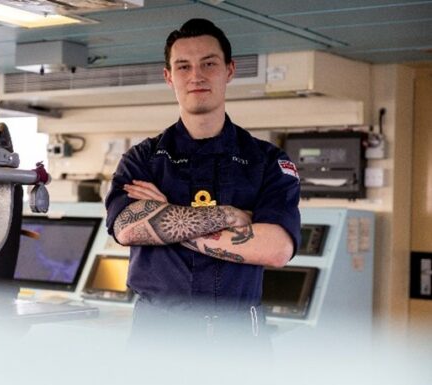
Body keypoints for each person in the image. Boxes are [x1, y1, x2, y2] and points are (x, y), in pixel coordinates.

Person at [105, 18, 301, 345]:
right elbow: (126, 228)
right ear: (169, 77)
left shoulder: (267, 161)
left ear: (230, 70)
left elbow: (276, 249)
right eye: (183, 66)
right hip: (158, 340)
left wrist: (165, 216)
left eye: (209, 63)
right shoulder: (143, 159)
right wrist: (227, 215)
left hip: (239, 342)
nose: (196, 76)